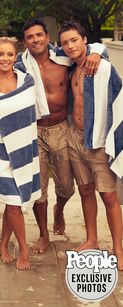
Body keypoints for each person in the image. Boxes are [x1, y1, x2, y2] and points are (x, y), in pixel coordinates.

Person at [14, 19, 106, 254]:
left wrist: (97, 50)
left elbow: (89, 50)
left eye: (38, 35)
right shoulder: (20, 66)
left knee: (66, 186)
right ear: (25, 41)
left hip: (61, 128)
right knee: (39, 189)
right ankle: (44, 235)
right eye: (29, 37)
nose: (35, 40)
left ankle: (60, 209)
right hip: (34, 132)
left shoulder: (63, 59)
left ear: (47, 37)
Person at [59, 20, 123, 269]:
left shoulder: (102, 66)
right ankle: (92, 239)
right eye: (65, 42)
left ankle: (118, 247)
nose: (69, 46)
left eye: (74, 40)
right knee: (85, 190)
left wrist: (113, 139)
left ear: (85, 40)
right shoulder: (68, 67)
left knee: (108, 196)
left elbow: (119, 99)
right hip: (75, 138)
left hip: (98, 142)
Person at [0, 37, 40, 270]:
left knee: (12, 201)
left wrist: (3, 107)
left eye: (10, 54)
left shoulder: (26, 80)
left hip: (23, 146)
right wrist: (6, 107)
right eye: (1, 54)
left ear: (16, 56)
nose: (5, 59)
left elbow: (19, 108)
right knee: (14, 202)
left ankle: (4, 244)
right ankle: (23, 249)